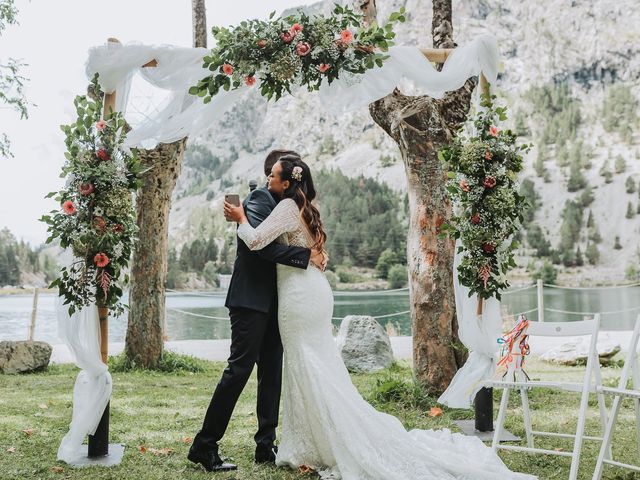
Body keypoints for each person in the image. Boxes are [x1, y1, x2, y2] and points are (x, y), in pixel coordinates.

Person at [224, 155, 536, 479]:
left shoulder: (287, 207)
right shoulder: (304, 209)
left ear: (287, 183)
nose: (268, 181)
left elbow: (258, 241)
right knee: (316, 365)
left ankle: (324, 441)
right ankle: (313, 439)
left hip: (299, 297)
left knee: (307, 365)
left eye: (273, 176)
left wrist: (240, 217)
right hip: (311, 291)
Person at [188, 150, 327, 472]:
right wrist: (306, 258)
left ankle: (265, 445)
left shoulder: (288, 204)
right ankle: (204, 445)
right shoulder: (258, 199)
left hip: (280, 302)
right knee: (238, 371)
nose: (272, 177)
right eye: (275, 171)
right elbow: (262, 248)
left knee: (271, 376)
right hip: (250, 300)